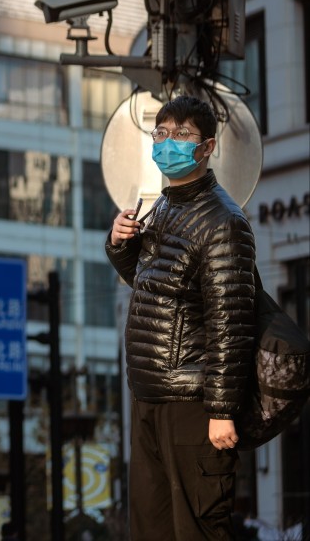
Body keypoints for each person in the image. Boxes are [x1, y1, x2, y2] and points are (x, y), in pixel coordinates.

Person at [106, 94, 257, 539]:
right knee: (151, 530)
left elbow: (232, 321)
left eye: (182, 135)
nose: (168, 143)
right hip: (150, 394)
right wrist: (120, 244)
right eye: (161, 133)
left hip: (194, 402)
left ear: (207, 147)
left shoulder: (224, 221)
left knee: (196, 528)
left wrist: (223, 409)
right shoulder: (165, 205)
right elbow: (155, 290)